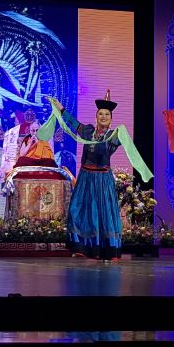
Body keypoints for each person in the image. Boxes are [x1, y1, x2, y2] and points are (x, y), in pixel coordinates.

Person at [55, 90, 124, 261]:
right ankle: (82, 247)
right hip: (86, 177)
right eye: (100, 113)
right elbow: (73, 123)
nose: (103, 116)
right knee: (77, 211)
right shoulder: (88, 131)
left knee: (103, 214)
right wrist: (61, 109)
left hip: (102, 179)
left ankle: (105, 250)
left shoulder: (114, 136)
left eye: (107, 114)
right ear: (96, 116)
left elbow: (119, 146)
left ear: (111, 118)